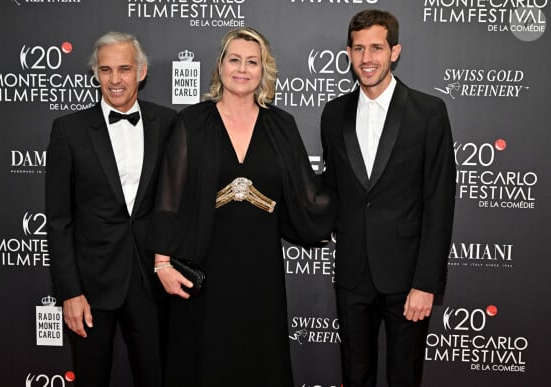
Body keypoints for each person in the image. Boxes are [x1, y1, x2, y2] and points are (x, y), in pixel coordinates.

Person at [148, 27, 335, 387]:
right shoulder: (191, 122)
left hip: (260, 272)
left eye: (253, 62)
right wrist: (161, 263)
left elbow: (308, 194)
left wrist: (347, 187)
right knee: (205, 363)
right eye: (234, 59)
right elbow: (168, 197)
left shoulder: (281, 125)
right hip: (204, 267)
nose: (242, 69)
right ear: (220, 66)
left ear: (264, 71)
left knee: (258, 363)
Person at [320, 10, 456, 387]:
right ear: (348, 53)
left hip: (407, 278)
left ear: (394, 51)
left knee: (404, 377)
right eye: (359, 49)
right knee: (355, 375)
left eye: (376, 48)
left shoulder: (428, 113)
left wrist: (426, 283)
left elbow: (440, 201)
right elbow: (331, 187)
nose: (367, 59)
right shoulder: (333, 114)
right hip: (351, 275)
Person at [45, 31, 177, 387]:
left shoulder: (168, 124)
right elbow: (59, 221)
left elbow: (178, 201)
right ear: (96, 74)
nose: (115, 80)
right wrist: (70, 293)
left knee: (156, 377)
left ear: (142, 72)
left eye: (124, 69)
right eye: (105, 70)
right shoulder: (68, 130)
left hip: (151, 283)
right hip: (90, 285)